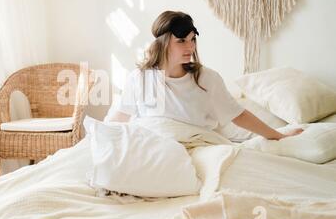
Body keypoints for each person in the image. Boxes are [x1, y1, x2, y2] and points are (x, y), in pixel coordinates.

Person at [108, 11, 303, 140]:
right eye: (182, 41)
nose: (190, 47)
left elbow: (238, 115)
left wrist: (279, 136)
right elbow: (122, 115)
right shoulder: (140, 78)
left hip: (197, 145)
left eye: (193, 40)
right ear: (163, 43)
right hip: (153, 145)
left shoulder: (206, 79)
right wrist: (101, 135)